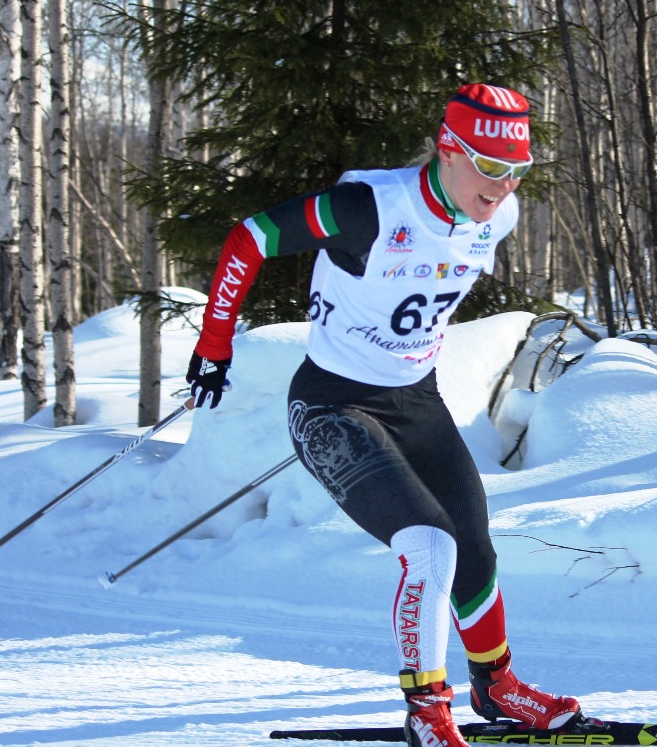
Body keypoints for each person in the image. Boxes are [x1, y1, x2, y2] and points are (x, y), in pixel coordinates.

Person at [186, 84, 582, 747]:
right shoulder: (366, 207)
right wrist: (215, 343)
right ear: (448, 149)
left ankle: (498, 684)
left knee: (474, 548)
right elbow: (248, 238)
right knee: (428, 545)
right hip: (332, 405)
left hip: (414, 400)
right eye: (488, 166)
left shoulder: (497, 215)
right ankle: (427, 709)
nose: (501, 188)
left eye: (516, 171)